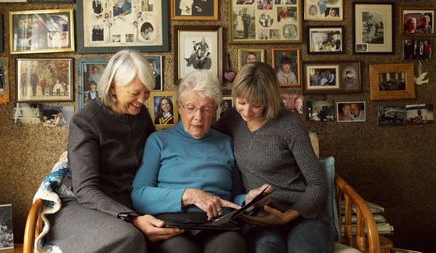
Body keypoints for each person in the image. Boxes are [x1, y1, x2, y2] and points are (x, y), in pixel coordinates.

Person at [44, 50, 183, 252]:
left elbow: (157, 157)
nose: (142, 100)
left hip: (131, 200)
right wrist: (133, 218)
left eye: (146, 92)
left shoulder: (141, 114)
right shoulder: (86, 121)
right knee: (129, 237)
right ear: (113, 88)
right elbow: (86, 190)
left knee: (175, 239)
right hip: (85, 204)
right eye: (135, 93)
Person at [132, 70, 257, 253]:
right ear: (180, 107)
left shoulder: (226, 142)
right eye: (191, 108)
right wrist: (188, 195)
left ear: (215, 110)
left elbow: (234, 196)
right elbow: (139, 195)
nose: (198, 117)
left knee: (231, 246)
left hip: (217, 223)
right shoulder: (158, 141)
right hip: (173, 223)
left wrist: (247, 200)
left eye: (206, 109)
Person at [214, 62, 333, 253]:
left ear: (269, 99)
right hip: (259, 219)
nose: (246, 111)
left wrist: (286, 217)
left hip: (302, 217)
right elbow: (203, 137)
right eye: (241, 102)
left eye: (256, 105)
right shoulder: (232, 119)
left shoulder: (289, 124)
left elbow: (318, 185)